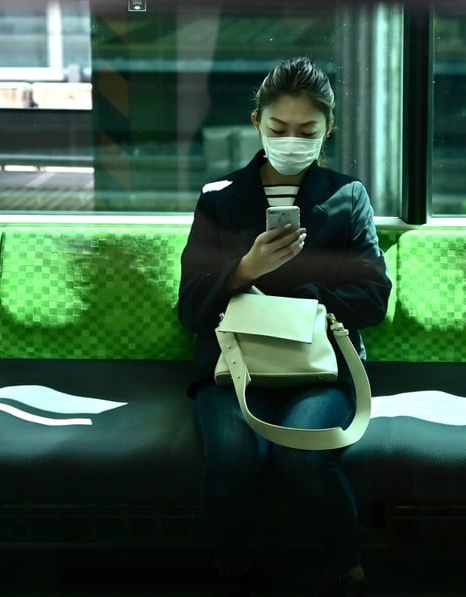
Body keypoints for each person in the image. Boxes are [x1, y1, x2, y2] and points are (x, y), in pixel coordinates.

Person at [178, 56, 391, 597]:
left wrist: (299, 292)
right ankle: (230, 569)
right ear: (256, 123)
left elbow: (373, 297)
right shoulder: (220, 200)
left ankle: (347, 567)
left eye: (307, 132)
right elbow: (190, 309)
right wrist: (245, 270)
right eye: (278, 129)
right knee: (233, 456)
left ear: (328, 131)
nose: (291, 141)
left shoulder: (347, 197)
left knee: (303, 455)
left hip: (321, 362)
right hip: (236, 361)